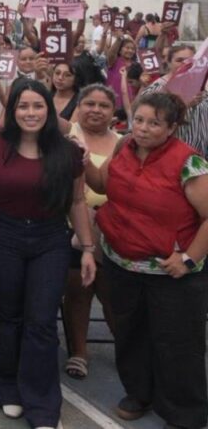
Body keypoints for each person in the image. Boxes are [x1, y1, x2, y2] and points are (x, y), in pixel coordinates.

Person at [85, 92, 208, 429]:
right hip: (121, 264)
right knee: (130, 334)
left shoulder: (189, 162)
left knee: (177, 343)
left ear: (171, 128)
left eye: (154, 123)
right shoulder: (123, 147)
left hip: (170, 273)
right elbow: (102, 184)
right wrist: (81, 161)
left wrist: (187, 258)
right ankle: (138, 393)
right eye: (138, 119)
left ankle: (184, 412)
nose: (143, 128)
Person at [0, 80, 95, 429]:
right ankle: (8, 386)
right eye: (23, 106)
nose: (30, 113)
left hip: (51, 239)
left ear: (49, 110)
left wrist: (88, 248)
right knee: (11, 316)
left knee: (42, 320)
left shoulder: (69, 152)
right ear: (12, 110)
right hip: (5, 235)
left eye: (37, 106)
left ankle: (43, 404)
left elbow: (77, 202)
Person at [61, 84, 120, 380]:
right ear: (78, 106)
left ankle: (125, 348)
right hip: (71, 226)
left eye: (103, 105)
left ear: (113, 111)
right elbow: (23, 102)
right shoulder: (67, 133)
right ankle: (79, 352)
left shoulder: (124, 143)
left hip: (114, 232)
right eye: (89, 103)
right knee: (77, 291)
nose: (96, 110)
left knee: (111, 294)